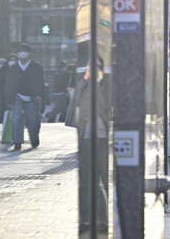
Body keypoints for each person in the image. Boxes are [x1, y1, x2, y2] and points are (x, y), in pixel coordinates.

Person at [66, 57, 110, 233]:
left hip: (103, 139)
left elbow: (106, 106)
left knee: (104, 180)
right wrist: (84, 82)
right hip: (85, 139)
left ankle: (102, 218)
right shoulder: (82, 84)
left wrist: (97, 85)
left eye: (96, 68)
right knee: (86, 182)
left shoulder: (106, 85)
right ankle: (86, 219)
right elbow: (75, 103)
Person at [4, 43, 46, 150]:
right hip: (17, 96)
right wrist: (8, 99)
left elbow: (40, 82)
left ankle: (34, 138)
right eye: (20, 51)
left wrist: (40, 95)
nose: (22, 52)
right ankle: (17, 141)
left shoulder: (37, 67)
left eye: (24, 50)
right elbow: (9, 83)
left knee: (33, 119)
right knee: (17, 119)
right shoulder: (14, 67)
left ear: (29, 53)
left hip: (32, 97)